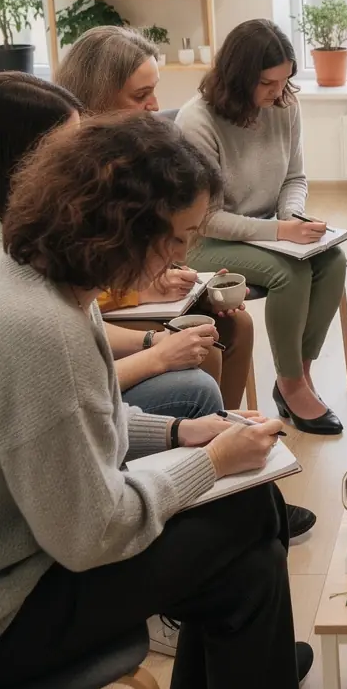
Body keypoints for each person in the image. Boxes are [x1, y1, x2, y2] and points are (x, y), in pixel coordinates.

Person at [0, 113, 347, 689]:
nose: (187, 253)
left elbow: (76, 427)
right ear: (127, 228)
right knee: (247, 522)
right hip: (18, 610)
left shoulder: (47, 277)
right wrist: (208, 462)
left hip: (38, 552)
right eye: (181, 236)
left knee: (248, 566)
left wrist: (176, 431)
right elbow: (93, 533)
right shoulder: (42, 331)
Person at [56, 26, 255, 411]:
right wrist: (143, 291)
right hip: (108, 315)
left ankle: (225, 438)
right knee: (207, 352)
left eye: (154, 90)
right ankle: (204, 444)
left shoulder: (137, 157)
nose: (155, 105)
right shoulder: (73, 181)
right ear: (97, 99)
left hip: (134, 303)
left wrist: (179, 279)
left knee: (237, 325)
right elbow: (69, 298)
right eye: (140, 95)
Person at [176, 19, 347, 435]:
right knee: (290, 271)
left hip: (266, 229)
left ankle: (297, 376)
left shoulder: (284, 105)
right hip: (204, 241)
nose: (279, 93)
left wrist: (290, 217)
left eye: (286, 80)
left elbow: (295, 177)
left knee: (333, 261)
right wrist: (279, 233)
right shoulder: (196, 121)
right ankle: (291, 385)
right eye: (269, 83)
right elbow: (206, 218)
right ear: (238, 79)